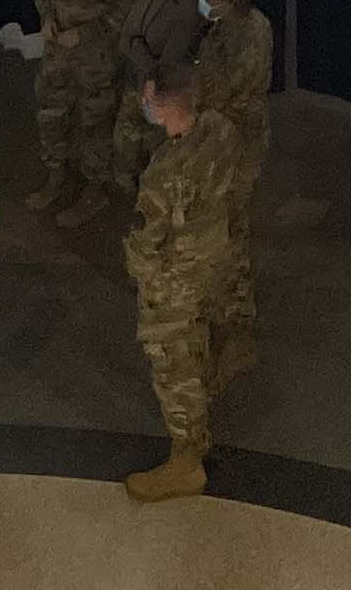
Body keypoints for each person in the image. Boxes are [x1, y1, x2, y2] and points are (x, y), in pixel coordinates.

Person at [119, 73, 249, 503]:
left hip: (175, 279)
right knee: (200, 336)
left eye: (150, 94)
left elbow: (148, 240)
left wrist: (139, 268)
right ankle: (226, 360)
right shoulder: (220, 131)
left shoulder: (164, 173)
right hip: (215, 261)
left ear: (163, 103)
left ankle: (186, 460)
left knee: (173, 365)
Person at [29, 0, 135, 219]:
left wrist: (86, 34)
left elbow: (123, 9)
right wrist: (46, 17)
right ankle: (56, 175)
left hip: (96, 57)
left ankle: (95, 189)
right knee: (52, 112)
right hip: (57, 48)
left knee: (96, 121)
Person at [191, 0, 272, 385]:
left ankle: (238, 333)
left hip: (238, 146)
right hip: (215, 141)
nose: (205, 2)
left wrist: (191, 96)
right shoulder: (220, 28)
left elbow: (232, 88)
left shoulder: (252, 32)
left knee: (230, 233)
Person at [107, 0, 202, 197]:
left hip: (162, 92)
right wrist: (141, 52)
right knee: (124, 144)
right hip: (135, 83)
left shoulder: (186, 5)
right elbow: (127, 37)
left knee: (157, 154)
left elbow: (169, 62)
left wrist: (141, 54)